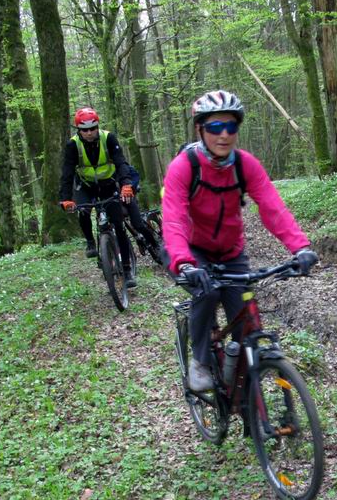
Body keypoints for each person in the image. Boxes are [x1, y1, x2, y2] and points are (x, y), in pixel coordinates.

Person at [161, 90, 318, 391]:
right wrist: (184, 262)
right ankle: (201, 359)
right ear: (200, 130)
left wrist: (300, 247)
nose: (224, 135)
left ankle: (248, 398)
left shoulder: (245, 165)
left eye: (231, 127)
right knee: (206, 294)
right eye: (215, 127)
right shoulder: (184, 166)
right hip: (193, 252)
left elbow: (273, 207)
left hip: (231, 252)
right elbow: (174, 219)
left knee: (248, 326)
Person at [59, 107, 143, 288]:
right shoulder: (72, 145)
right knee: (82, 211)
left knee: (119, 225)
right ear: (78, 130)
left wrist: (126, 184)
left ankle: (127, 271)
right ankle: (90, 241)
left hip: (108, 185)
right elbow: (66, 173)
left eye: (92, 128)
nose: (89, 133)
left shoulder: (109, 138)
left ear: (97, 127)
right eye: (85, 130)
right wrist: (65, 198)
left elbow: (120, 163)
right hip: (86, 186)